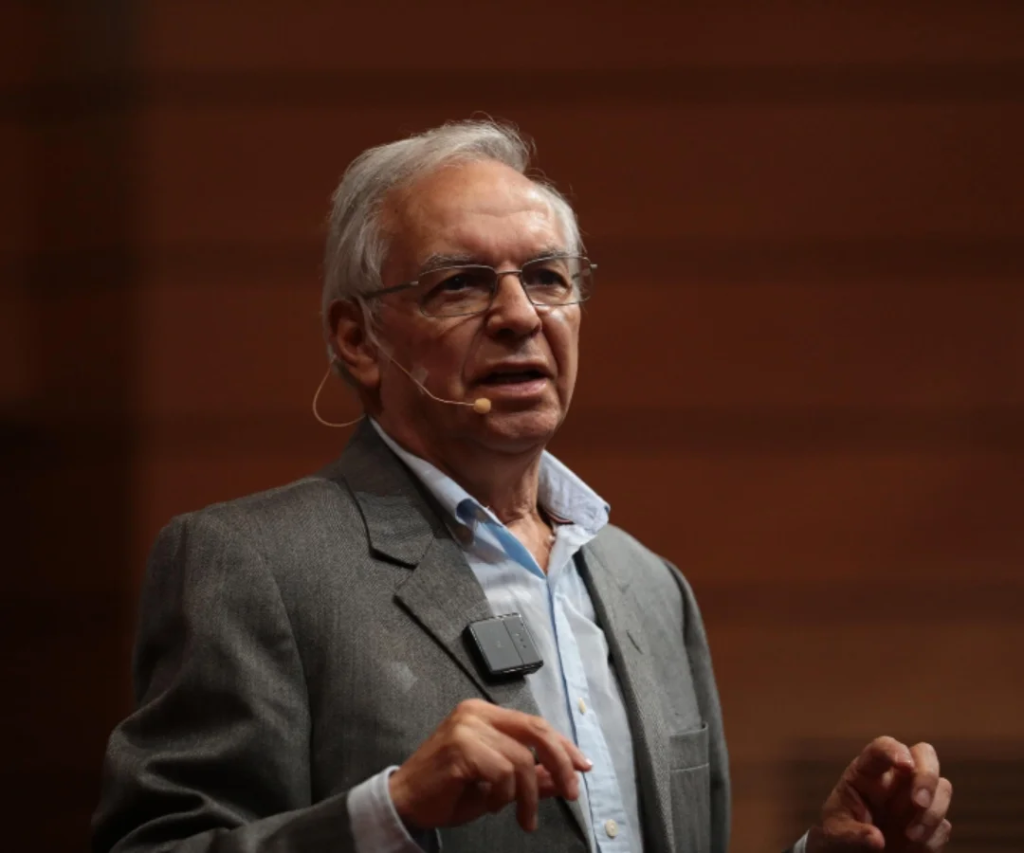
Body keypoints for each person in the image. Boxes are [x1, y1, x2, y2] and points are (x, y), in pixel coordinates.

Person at [93, 120, 952, 853]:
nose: (519, 314)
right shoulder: (255, 566)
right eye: (460, 283)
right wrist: (388, 812)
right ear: (359, 341)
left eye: (547, 277)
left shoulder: (650, 587)